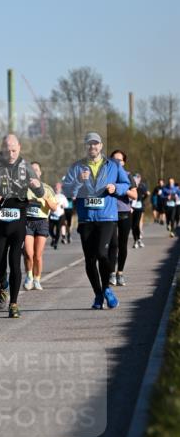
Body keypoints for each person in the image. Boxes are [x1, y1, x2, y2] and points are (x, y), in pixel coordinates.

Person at [62, 132, 132, 310]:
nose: (92, 147)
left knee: (102, 253)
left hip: (107, 216)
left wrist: (115, 187)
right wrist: (78, 181)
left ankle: (107, 288)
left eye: (96, 144)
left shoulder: (114, 165)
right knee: (90, 259)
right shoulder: (77, 167)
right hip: (86, 218)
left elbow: (126, 185)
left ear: (101, 146)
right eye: (89, 144)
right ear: (85, 147)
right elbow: (67, 190)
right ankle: (98, 294)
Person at [0, 134, 44, 319]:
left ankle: (13, 304)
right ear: (2, 148)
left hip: (18, 222)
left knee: (15, 263)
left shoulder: (26, 167)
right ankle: (4, 285)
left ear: (19, 148)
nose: (11, 153)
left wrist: (37, 186)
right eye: (8, 150)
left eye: (14, 150)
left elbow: (40, 191)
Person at [23, 162, 59, 291]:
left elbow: (55, 208)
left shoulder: (47, 188)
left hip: (42, 221)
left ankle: (37, 279)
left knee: (37, 255)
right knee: (28, 253)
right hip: (27, 221)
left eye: (36, 170)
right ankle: (29, 277)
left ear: (40, 173)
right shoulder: (22, 187)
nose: (34, 172)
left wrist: (44, 198)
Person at [107, 151, 138, 286]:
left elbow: (135, 196)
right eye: (114, 159)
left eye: (119, 160)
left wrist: (121, 188)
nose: (116, 162)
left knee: (122, 244)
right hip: (109, 213)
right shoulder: (106, 175)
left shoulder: (128, 176)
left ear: (124, 162)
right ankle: (111, 273)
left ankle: (120, 273)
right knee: (112, 244)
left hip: (124, 213)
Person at [131, 173, 149, 248]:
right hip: (131, 208)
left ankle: (137, 240)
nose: (136, 180)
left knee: (136, 224)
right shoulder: (130, 187)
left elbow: (146, 194)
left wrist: (141, 200)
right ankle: (136, 240)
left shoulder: (141, 187)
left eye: (138, 179)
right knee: (132, 226)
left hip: (139, 208)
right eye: (135, 179)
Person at [49, 182, 69, 249]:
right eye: (56, 188)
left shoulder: (62, 196)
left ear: (60, 189)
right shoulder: (51, 195)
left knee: (58, 229)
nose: (56, 189)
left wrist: (64, 205)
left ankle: (55, 243)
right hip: (52, 215)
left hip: (60, 215)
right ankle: (54, 238)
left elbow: (67, 204)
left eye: (58, 188)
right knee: (50, 229)